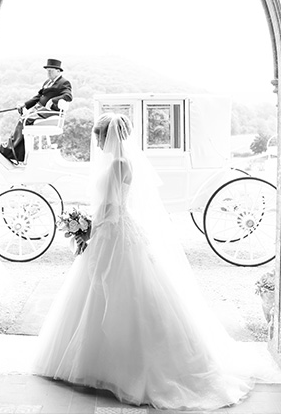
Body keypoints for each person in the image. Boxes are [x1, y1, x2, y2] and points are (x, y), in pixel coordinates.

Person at [32, 113, 263, 410]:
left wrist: (86, 229)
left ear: (108, 136)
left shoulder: (116, 164)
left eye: (99, 137)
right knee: (118, 293)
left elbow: (108, 209)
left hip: (112, 232)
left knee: (113, 294)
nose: (98, 142)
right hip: (117, 230)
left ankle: (115, 366)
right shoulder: (122, 163)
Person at [0, 58, 73, 163]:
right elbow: (38, 97)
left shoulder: (64, 82)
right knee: (23, 119)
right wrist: (25, 105)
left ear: (58, 71)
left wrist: (52, 101)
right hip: (40, 110)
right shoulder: (48, 82)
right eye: (47, 71)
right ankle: (15, 152)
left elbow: (68, 96)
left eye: (51, 71)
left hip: (49, 112)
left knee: (25, 120)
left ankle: (10, 150)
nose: (48, 73)